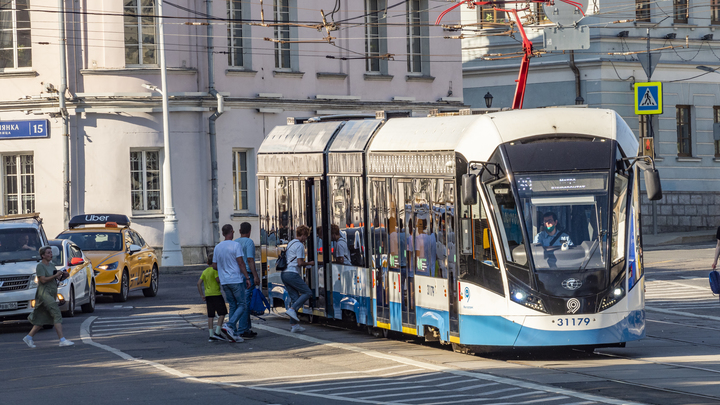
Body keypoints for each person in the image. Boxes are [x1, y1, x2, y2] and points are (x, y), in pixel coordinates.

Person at [23, 246, 74, 348]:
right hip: (44, 293)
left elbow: (57, 278)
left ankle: (28, 337)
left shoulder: (52, 265)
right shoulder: (40, 266)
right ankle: (62, 340)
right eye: (48, 253)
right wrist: (56, 275)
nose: (51, 254)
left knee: (43, 317)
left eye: (51, 253)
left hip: (52, 292)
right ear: (43, 255)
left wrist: (63, 275)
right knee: (56, 313)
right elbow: (43, 280)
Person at [212, 224, 251, 343]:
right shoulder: (235, 245)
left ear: (223, 234)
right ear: (232, 232)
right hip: (235, 279)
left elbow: (214, 265)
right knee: (242, 304)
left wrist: (223, 270)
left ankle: (232, 332)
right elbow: (241, 263)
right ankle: (230, 325)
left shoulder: (217, 247)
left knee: (233, 305)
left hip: (224, 281)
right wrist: (247, 277)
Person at [281, 225, 314, 333]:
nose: (306, 239)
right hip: (292, 273)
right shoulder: (299, 245)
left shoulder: (291, 243)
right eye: (306, 236)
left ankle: (294, 325)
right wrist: (310, 263)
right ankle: (292, 309)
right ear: (303, 235)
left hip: (284, 274)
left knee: (295, 298)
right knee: (307, 292)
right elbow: (300, 263)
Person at [234, 222, 260, 339]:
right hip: (247, 274)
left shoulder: (235, 242)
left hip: (237, 275)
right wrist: (255, 276)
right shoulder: (249, 242)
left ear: (239, 231)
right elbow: (250, 259)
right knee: (245, 303)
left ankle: (246, 328)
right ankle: (243, 329)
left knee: (240, 302)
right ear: (249, 231)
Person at [197, 253, 227, 342]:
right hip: (216, 294)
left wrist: (202, 294)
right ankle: (217, 332)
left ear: (207, 262)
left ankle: (211, 335)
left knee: (211, 315)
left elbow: (198, 283)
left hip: (208, 295)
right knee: (222, 313)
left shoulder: (205, 272)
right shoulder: (215, 270)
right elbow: (217, 279)